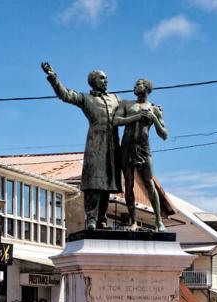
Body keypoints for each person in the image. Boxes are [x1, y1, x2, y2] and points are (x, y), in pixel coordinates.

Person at [41, 62, 122, 230]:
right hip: (95, 144)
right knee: (94, 183)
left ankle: (102, 219)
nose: (106, 80)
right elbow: (65, 95)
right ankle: (91, 219)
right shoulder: (86, 98)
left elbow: (130, 112)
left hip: (113, 146)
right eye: (102, 78)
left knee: (107, 184)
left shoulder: (115, 99)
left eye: (106, 78)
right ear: (93, 81)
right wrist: (53, 76)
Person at [114, 78, 168, 232]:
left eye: (138, 84)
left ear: (146, 88)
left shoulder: (154, 108)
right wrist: (136, 117)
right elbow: (116, 121)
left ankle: (159, 222)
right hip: (126, 147)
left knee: (149, 183)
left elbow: (164, 135)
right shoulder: (126, 104)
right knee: (129, 184)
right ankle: (133, 221)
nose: (134, 86)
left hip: (144, 148)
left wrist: (155, 119)